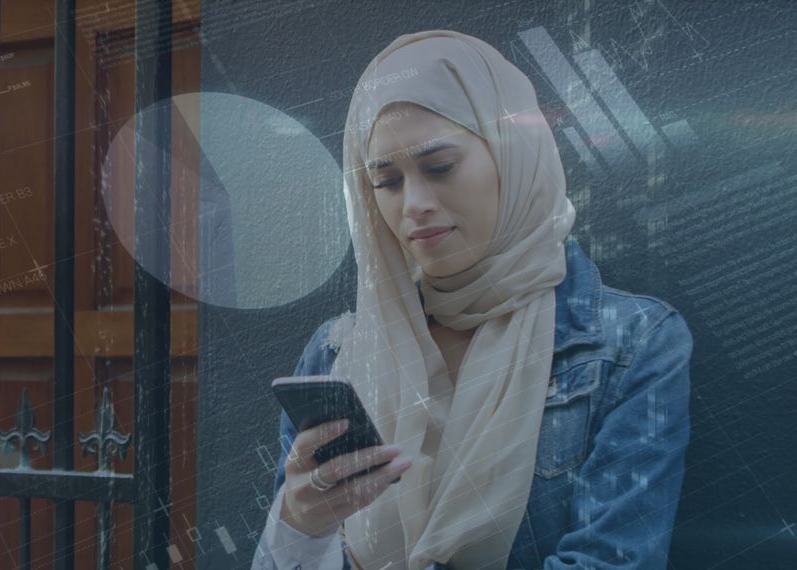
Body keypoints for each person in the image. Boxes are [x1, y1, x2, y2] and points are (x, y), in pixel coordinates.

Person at [251, 30, 692, 570]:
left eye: (439, 168)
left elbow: (613, 561)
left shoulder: (631, 342)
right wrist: (299, 528)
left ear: (514, 156)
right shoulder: (340, 352)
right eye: (385, 181)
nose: (413, 205)